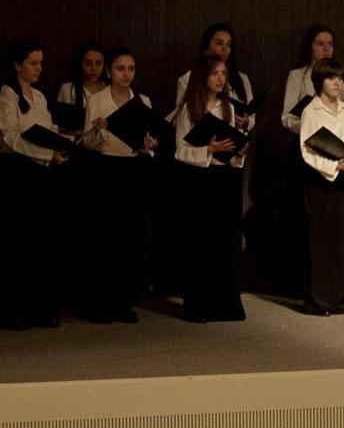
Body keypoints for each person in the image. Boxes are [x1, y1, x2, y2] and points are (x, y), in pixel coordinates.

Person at [80, 47, 158, 323]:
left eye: (131, 69)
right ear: (109, 71)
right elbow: (88, 143)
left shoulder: (142, 100)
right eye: (120, 68)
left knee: (132, 238)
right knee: (106, 237)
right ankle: (101, 304)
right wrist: (98, 130)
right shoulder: (97, 99)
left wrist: (150, 144)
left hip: (133, 169)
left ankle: (125, 302)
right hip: (107, 170)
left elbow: (150, 138)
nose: (126, 74)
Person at [174, 54, 247, 322]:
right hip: (199, 181)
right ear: (203, 76)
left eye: (223, 74)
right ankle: (199, 306)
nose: (220, 78)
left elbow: (232, 151)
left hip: (223, 179)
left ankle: (224, 305)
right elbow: (180, 151)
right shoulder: (189, 109)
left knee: (224, 242)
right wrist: (209, 149)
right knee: (201, 243)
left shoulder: (227, 108)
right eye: (215, 73)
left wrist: (238, 147)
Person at [0, 39, 67, 329]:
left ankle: (40, 307)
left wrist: (63, 144)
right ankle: (14, 310)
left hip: (42, 174)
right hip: (17, 172)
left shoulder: (39, 96)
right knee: (19, 242)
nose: (39, 68)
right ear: (18, 65)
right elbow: (9, 137)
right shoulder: (7, 93)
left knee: (42, 241)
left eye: (41, 63)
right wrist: (45, 153)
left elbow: (48, 129)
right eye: (33, 63)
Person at [299, 58, 344, 316]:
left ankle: (343, 298)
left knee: (343, 238)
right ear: (320, 81)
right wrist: (332, 166)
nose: (338, 82)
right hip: (321, 181)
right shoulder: (311, 111)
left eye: (340, 78)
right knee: (321, 240)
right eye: (332, 78)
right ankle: (318, 300)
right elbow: (306, 151)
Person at [282, 24, 344, 134]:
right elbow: (286, 118)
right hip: (305, 139)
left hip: (336, 136)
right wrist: (311, 125)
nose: (326, 49)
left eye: (330, 44)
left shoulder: (339, 75)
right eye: (320, 44)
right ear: (310, 48)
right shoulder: (297, 75)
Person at [175, 23, 254, 131]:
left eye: (228, 44)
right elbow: (179, 121)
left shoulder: (242, 79)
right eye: (219, 43)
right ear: (207, 45)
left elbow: (252, 115)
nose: (224, 49)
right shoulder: (188, 78)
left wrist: (246, 122)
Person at [55, 41, 107, 136]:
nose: (94, 68)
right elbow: (59, 125)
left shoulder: (110, 90)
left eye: (98, 64)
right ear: (80, 64)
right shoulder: (68, 89)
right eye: (88, 63)